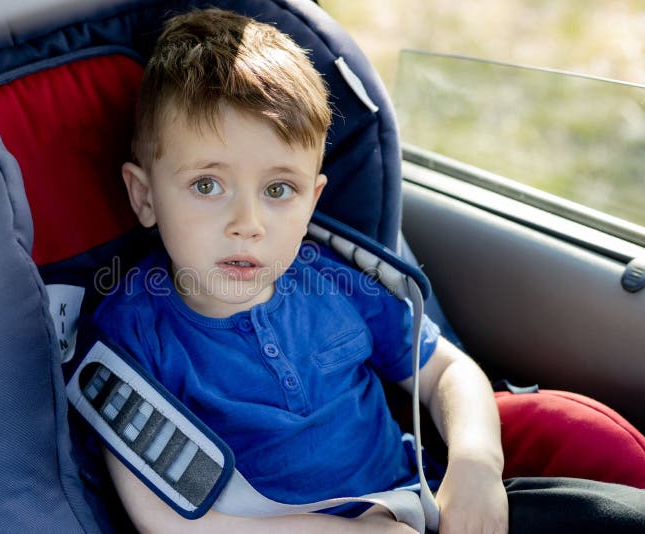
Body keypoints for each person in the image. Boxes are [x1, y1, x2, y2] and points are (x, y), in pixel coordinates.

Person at [89, 7, 645, 533]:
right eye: (206, 185)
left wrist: (475, 466)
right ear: (144, 196)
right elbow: (166, 521)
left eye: (279, 189)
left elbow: (447, 372)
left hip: (420, 502)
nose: (248, 223)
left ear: (313, 200)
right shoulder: (133, 336)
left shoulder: (335, 281)